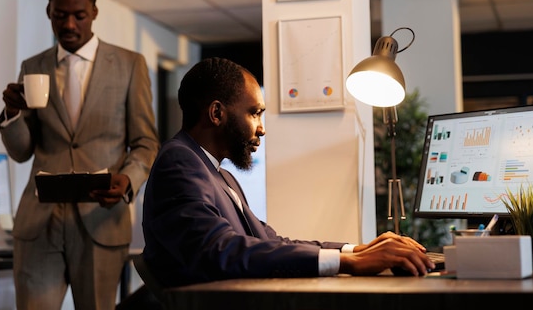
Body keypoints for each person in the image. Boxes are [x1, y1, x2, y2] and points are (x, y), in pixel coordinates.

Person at [141, 57, 434, 290]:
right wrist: (348, 262)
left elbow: (270, 242)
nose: (261, 128)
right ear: (217, 113)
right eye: (254, 113)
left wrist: (356, 249)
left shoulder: (219, 175)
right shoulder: (179, 160)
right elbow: (221, 251)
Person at [0, 0, 160, 310]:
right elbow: (22, 151)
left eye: (78, 16)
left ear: (94, 13)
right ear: (49, 12)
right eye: (60, 15)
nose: (69, 25)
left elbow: (146, 142)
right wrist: (12, 114)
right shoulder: (33, 67)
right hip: (40, 221)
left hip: (101, 219)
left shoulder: (130, 65)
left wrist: (127, 180)